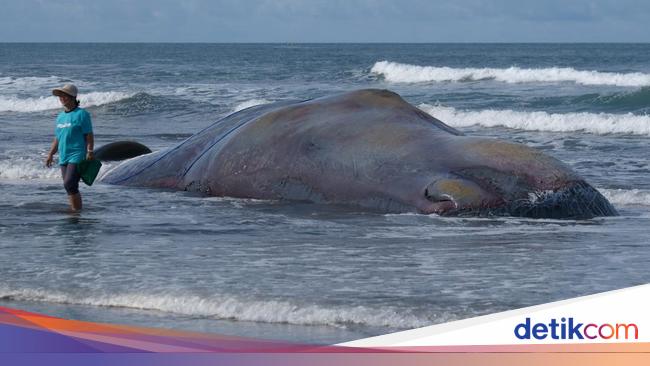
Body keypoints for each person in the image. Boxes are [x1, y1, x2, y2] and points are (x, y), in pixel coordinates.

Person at [45, 84, 94, 211]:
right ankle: (75, 210)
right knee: (69, 187)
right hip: (64, 155)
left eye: (64, 95)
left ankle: (77, 212)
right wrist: (50, 154)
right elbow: (57, 138)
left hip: (77, 154)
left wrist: (90, 151)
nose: (61, 98)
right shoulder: (60, 116)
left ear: (72, 97)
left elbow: (89, 134)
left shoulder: (82, 114)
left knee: (69, 183)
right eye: (60, 96)